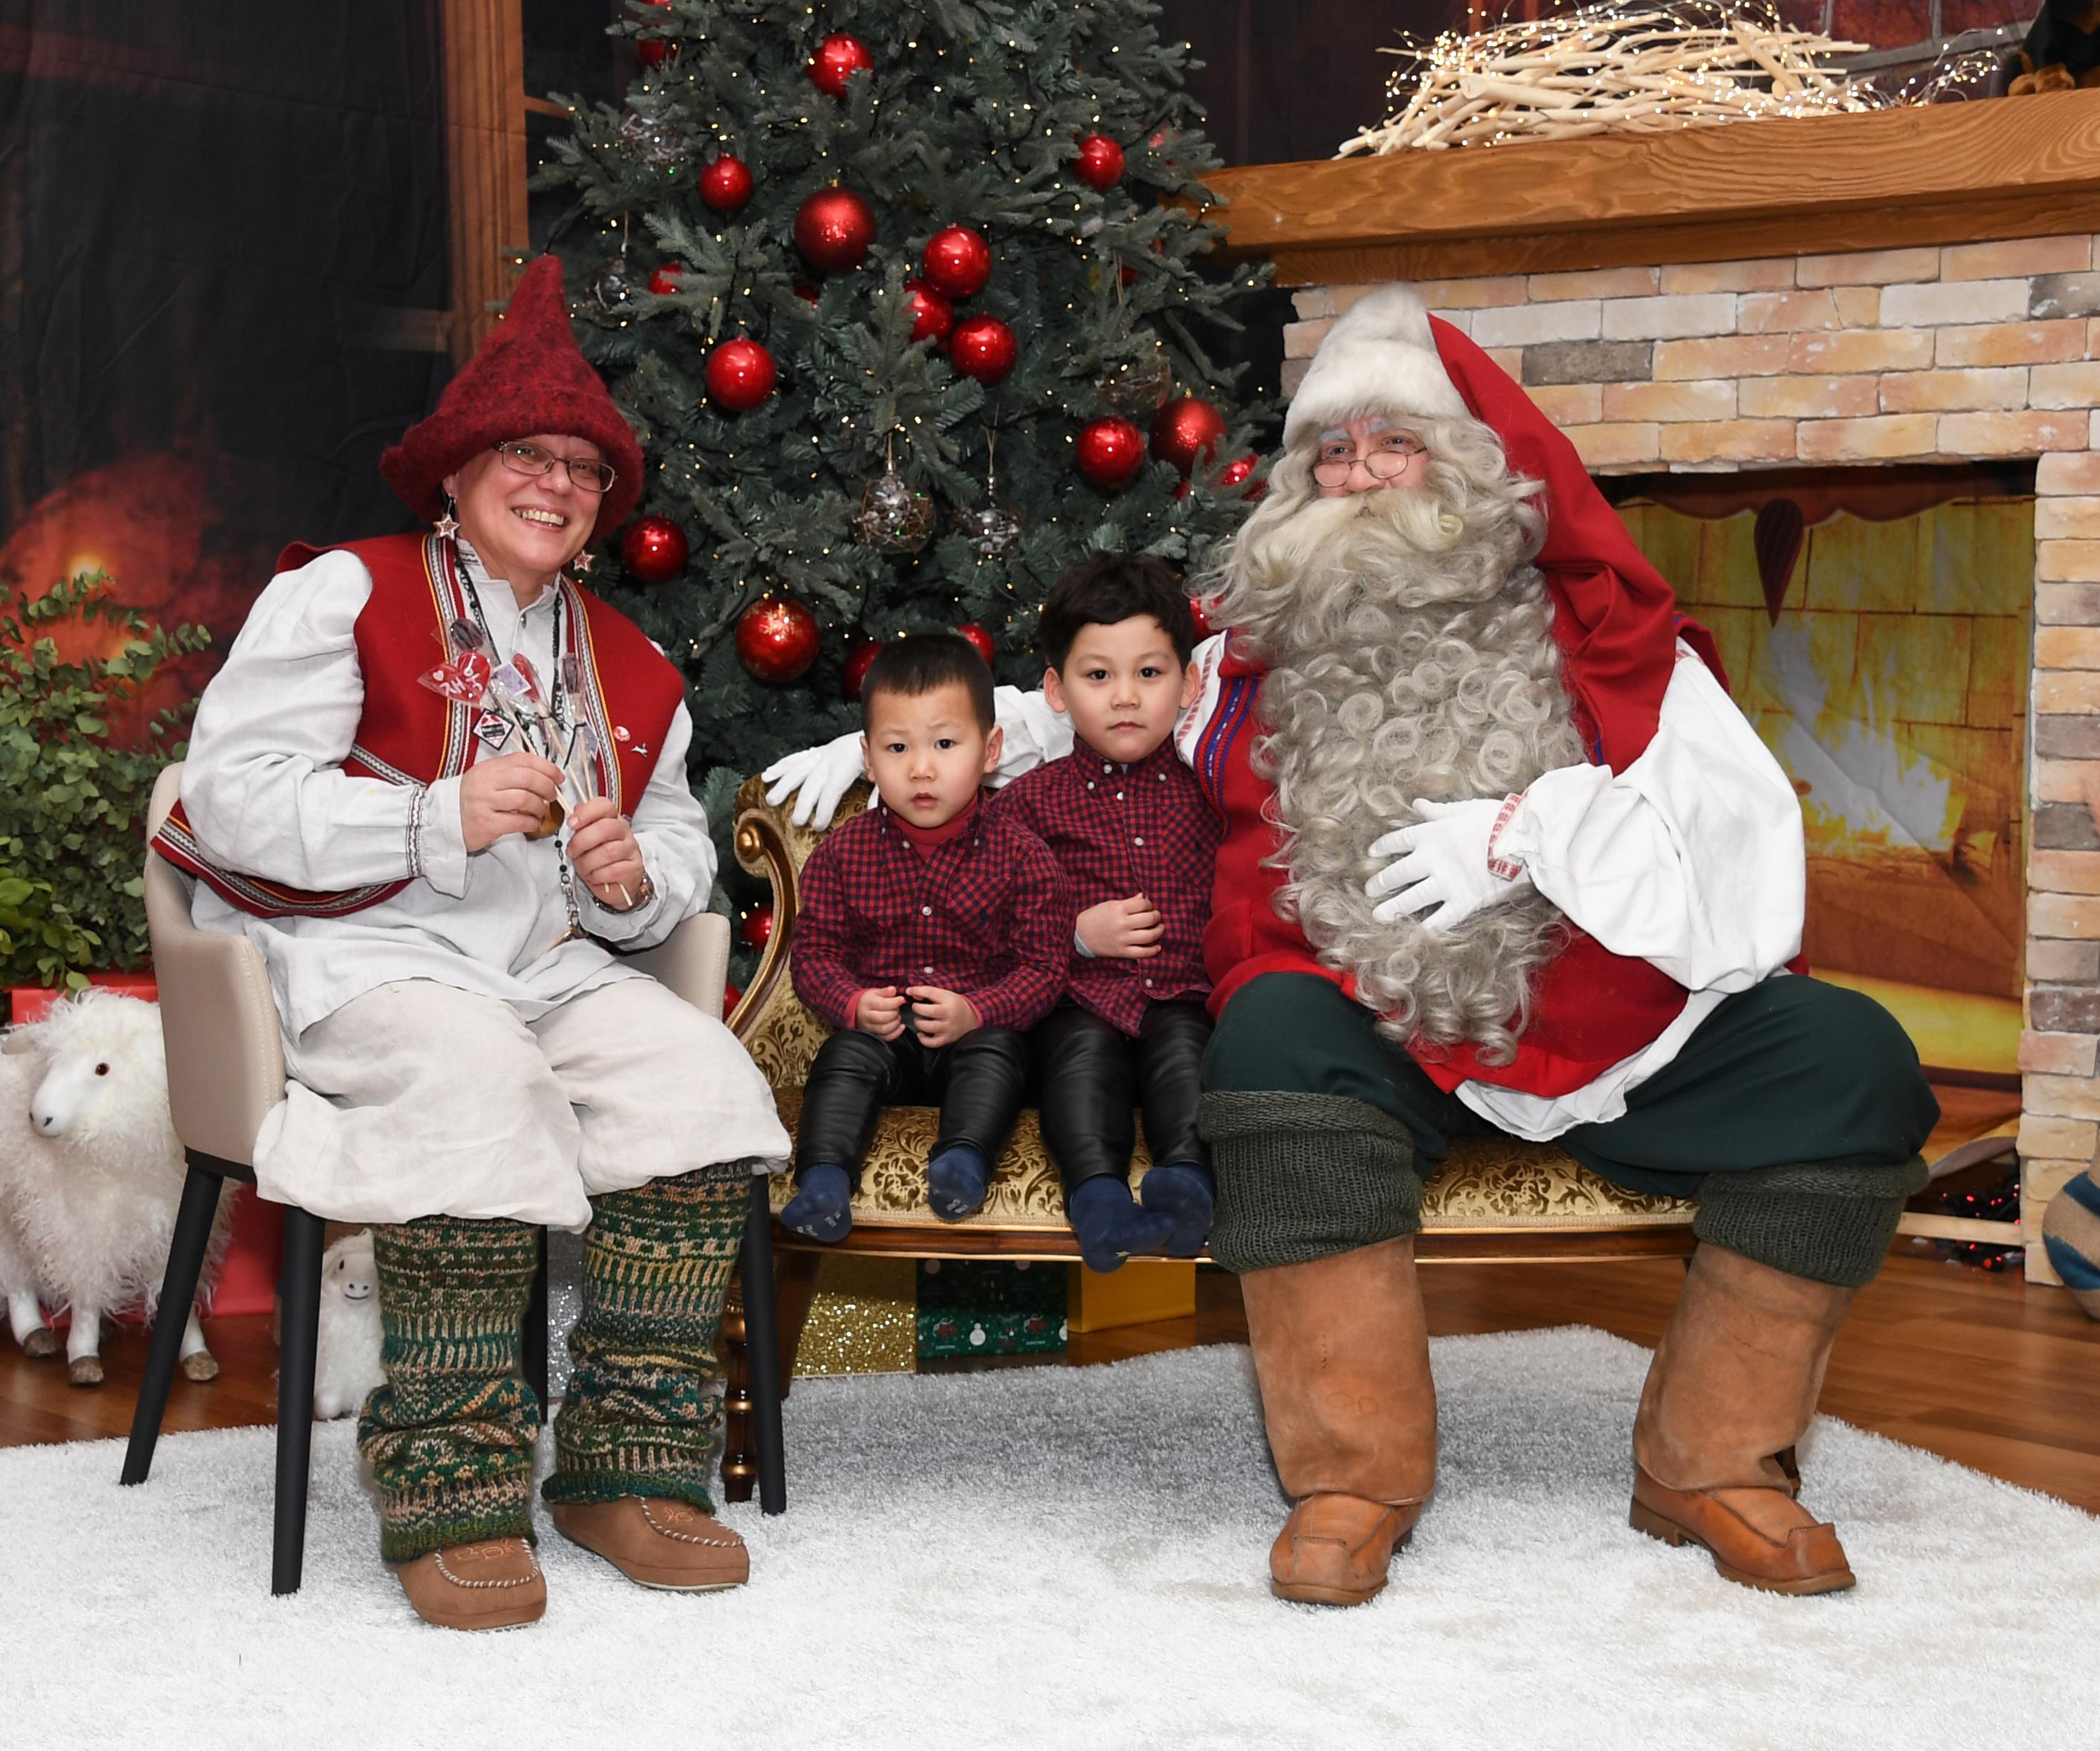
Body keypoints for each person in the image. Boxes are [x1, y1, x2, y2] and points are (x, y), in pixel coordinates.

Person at [767, 284, 1937, 1608]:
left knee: (1855, 1063)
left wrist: (1529, 828)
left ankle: (1710, 1462)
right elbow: (1091, 713)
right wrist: (901, 747)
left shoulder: (1612, 644)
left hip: (1611, 1018)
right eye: (1335, 450)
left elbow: (1746, 857)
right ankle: (1353, 1474)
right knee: (1263, 1041)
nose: (1362, 474)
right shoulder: (1242, 656)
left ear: (1475, 473)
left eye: (1396, 444)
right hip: (1360, 1018)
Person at [162, 257, 791, 1629]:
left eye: (580, 467)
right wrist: (430, 816)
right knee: (473, 1087)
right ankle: (449, 1481)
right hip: (361, 956)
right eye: (522, 454)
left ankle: (622, 1467)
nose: (554, 485)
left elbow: (680, 853)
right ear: (452, 473)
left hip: (548, 963)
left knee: (700, 1090)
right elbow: (230, 794)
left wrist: (634, 874)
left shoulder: (630, 663)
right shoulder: (340, 592)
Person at [776, 634, 1072, 1244]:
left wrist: (978, 1010)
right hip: (886, 1037)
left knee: (998, 1056)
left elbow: (1045, 968)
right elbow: (815, 955)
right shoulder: (843, 855)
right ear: (867, 758)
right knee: (843, 1057)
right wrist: (854, 1004)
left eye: (944, 743)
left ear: (990, 749)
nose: (921, 768)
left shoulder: (1023, 855)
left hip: (976, 1030)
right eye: (897, 747)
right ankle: (825, 1178)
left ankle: (962, 1162)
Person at [982, 555, 1223, 1273]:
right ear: (1056, 690)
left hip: (1184, 990)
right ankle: (1097, 1193)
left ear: (1189, 683)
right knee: (1079, 1061)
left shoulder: (1208, 791)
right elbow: (991, 921)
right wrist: (1075, 936)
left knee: (1188, 1055)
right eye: (1098, 675)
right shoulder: (1029, 801)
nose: (1125, 696)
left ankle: (1186, 1180)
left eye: (1149, 674)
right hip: (1076, 998)